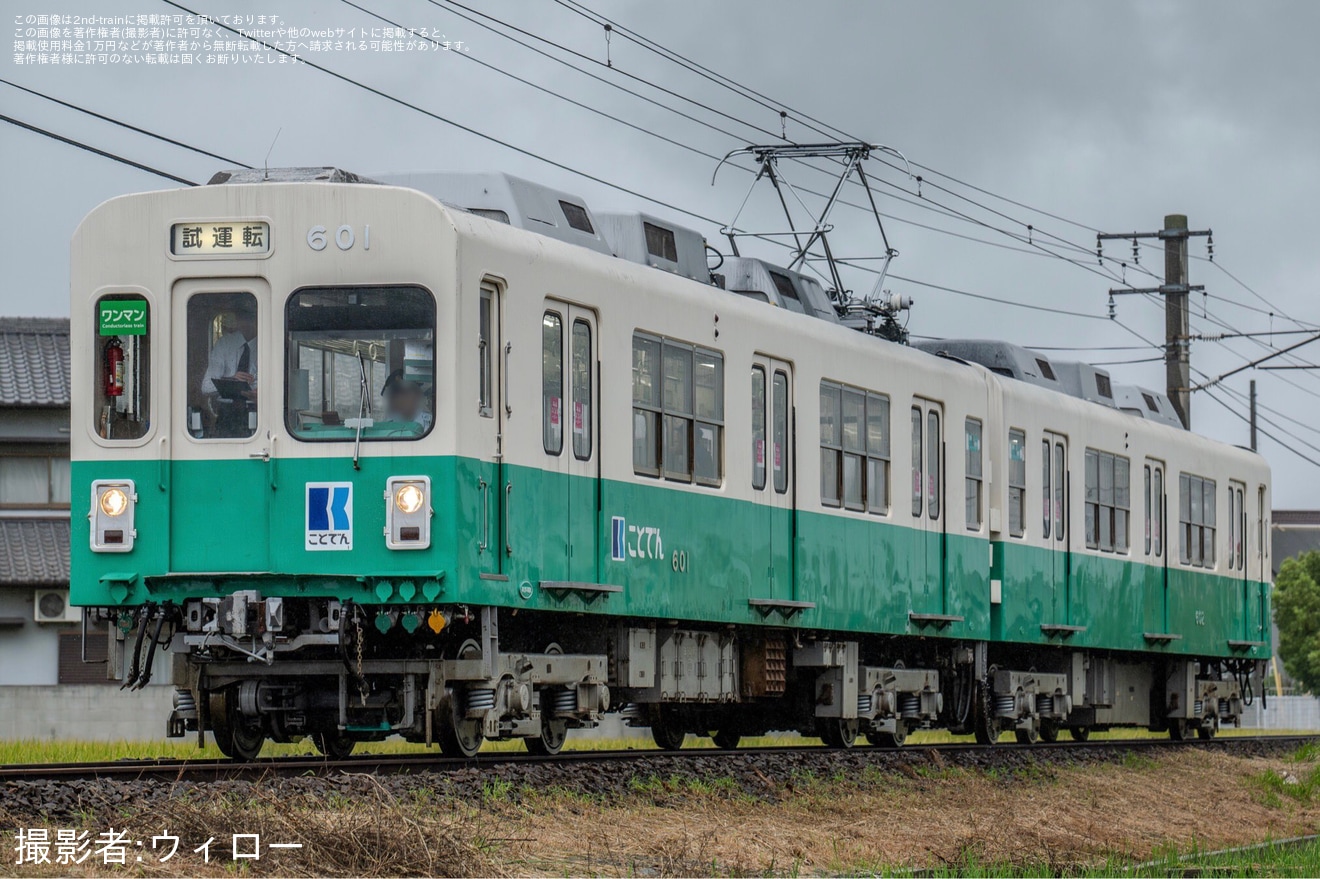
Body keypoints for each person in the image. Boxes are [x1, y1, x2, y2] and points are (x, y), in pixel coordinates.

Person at [201, 305, 257, 436]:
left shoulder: (270, 343)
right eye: (242, 318)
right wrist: (232, 380)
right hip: (228, 415)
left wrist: (263, 395)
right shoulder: (225, 344)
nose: (246, 323)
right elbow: (206, 387)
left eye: (250, 318)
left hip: (261, 411)